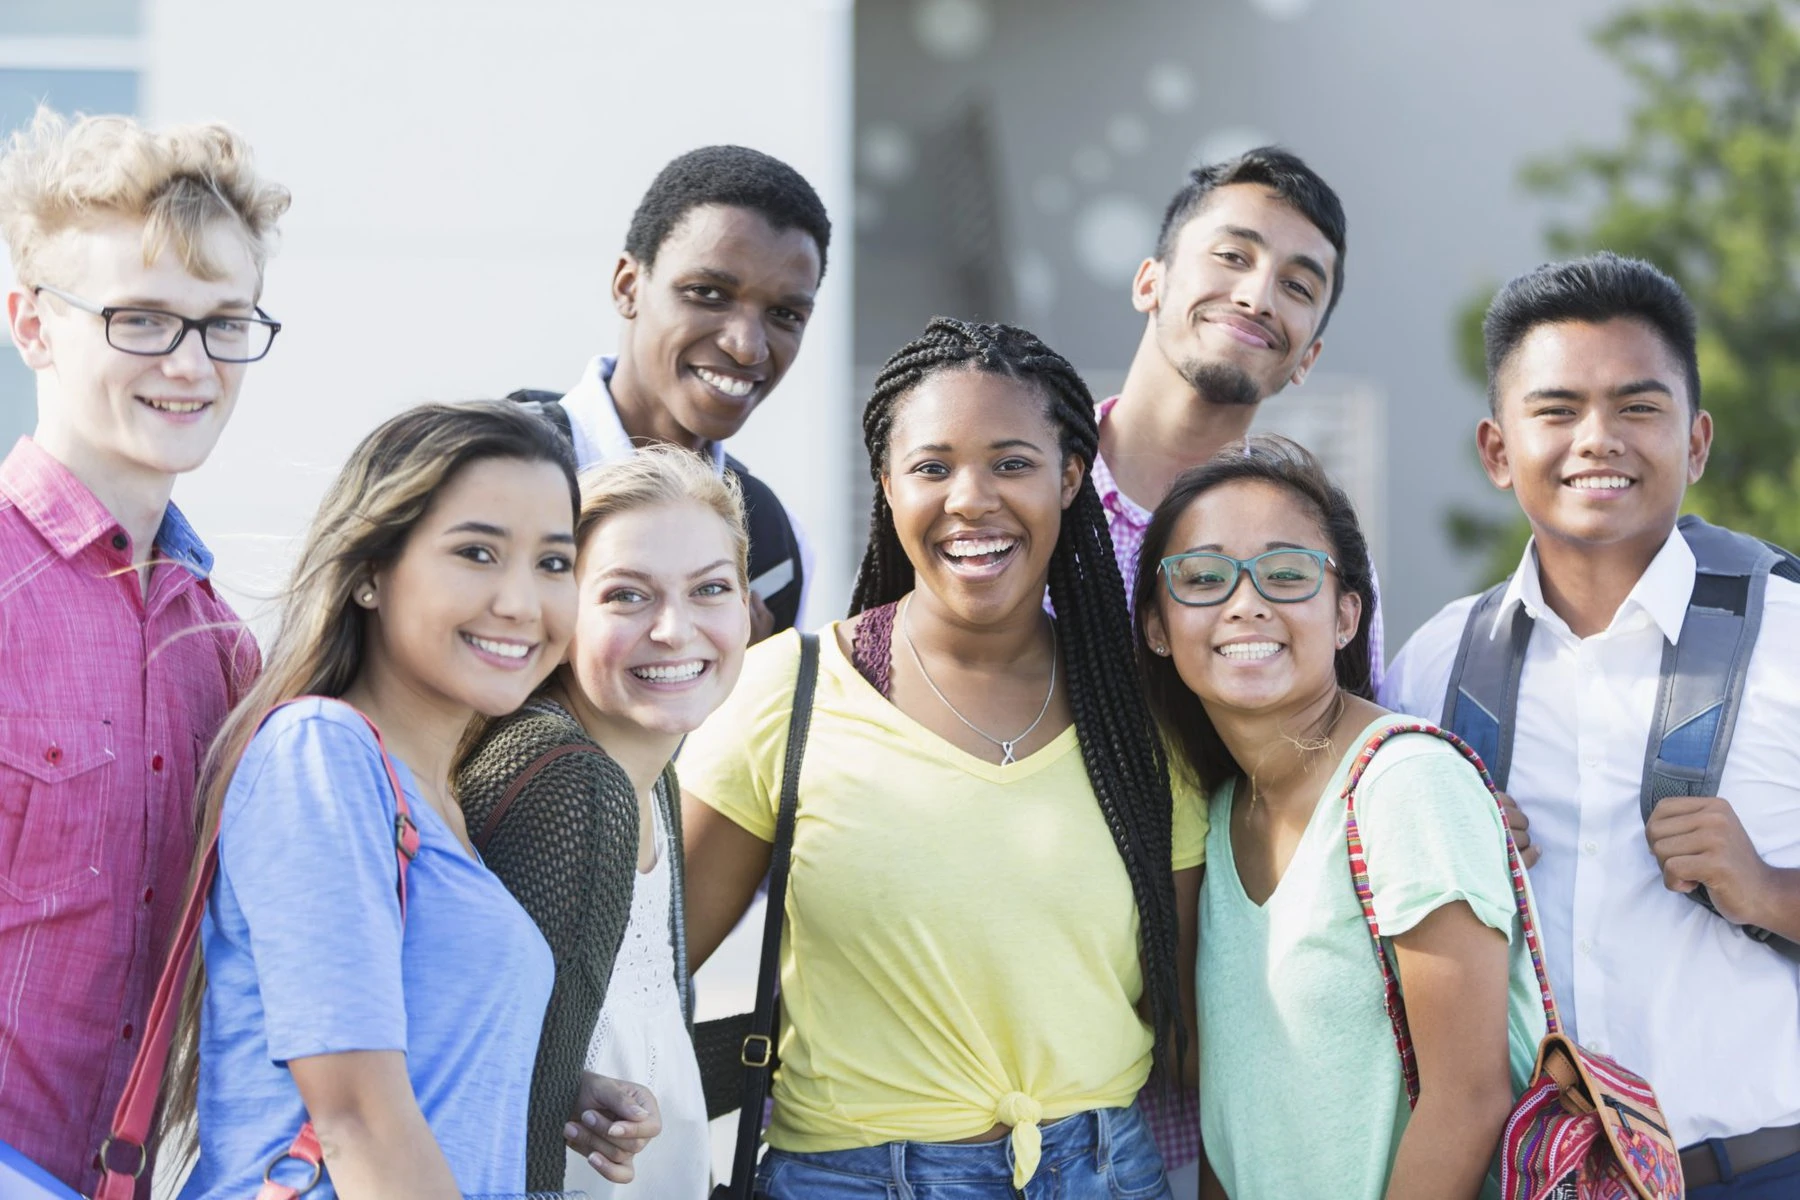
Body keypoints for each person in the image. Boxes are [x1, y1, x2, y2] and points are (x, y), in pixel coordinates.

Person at [681, 317, 1203, 1200]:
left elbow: (1189, 1017)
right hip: (852, 1179)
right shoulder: (788, 694)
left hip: (1104, 1172)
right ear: (886, 485)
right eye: (932, 467)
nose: (971, 499)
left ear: (1071, 478)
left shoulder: (1143, 722)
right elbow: (644, 971)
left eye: (1012, 463)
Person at [1383, 254, 1800, 1197]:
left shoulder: (1794, 634)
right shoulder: (1435, 669)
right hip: (1532, 1180)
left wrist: (1772, 891)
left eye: (1638, 407)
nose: (1598, 439)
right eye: (1558, 409)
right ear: (1497, 451)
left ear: (1695, 443)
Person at [166, 403, 659, 1198]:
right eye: (476, 553)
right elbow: (356, 1116)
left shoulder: (441, 802)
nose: (520, 602)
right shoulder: (322, 755)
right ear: (369, 572)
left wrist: (551, 1090)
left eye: (554, 563)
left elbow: (401, 1048)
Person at [1134, 434, 1545, 1199]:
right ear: (1157, 627)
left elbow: (1470, 1098)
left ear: (1347, 614)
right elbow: (1238, 1125)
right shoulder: (1218, 815)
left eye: (1287, 574)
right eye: (1202, 577)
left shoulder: (1406, 785)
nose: (1246, 601)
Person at [0, 106, 284, 1196]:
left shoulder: (222, 647)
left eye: (225, 322)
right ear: (32, 324)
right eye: (143, 320)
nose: (191, 363)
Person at [1094, 143, 1378, 1186]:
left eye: (1300, 286)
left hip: (1231, 1103)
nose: (1260, 294)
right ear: (1152, 280)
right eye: (1233, 255)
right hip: (1005, 1081)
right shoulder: (1020, 505)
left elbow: (1350, 794)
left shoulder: (1316, 560)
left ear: (1306, 355)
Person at [458, 446, 752, 1195]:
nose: (674, 629)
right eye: (627, 596)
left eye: (711, 588)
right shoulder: (571, 785)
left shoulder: (651, 775)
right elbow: (499, 1099)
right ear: (561, 613)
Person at [519, 144, 831, 642]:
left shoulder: (774, 546)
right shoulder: (491, 474)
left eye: (785, 315)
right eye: (708, 293)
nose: (748, 347)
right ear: (627, 286)